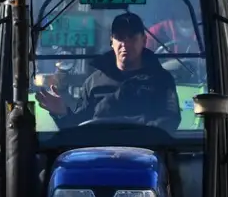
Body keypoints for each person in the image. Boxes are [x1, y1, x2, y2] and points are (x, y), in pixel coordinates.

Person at [35, 12, 181, 132]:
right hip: (98, 157)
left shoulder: (161, 80)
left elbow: (170, 120)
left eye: (132, 37)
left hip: (144, 156)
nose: (125, 44)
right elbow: (78, 128)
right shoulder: (93, 82)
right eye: (120, 37)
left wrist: (136, 135)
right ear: (112, 41)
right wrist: (62, 113)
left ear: (144, 40)